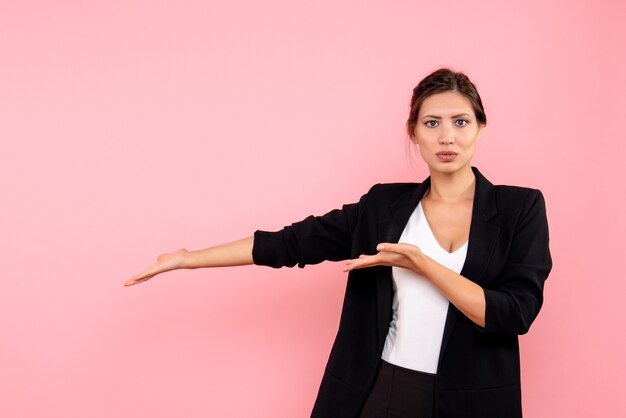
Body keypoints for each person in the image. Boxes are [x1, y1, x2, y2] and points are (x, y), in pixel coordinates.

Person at [124, 68, 552, 418]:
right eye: (432, 123)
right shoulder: (384, 205)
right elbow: (291, 243)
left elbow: (515, 314)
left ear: (480, 128)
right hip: (383, 386)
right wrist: (189, 258)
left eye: (460, 122)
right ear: (414, 132)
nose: (447, 137)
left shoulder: (520, 208)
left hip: (474, 399)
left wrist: (425, 266)